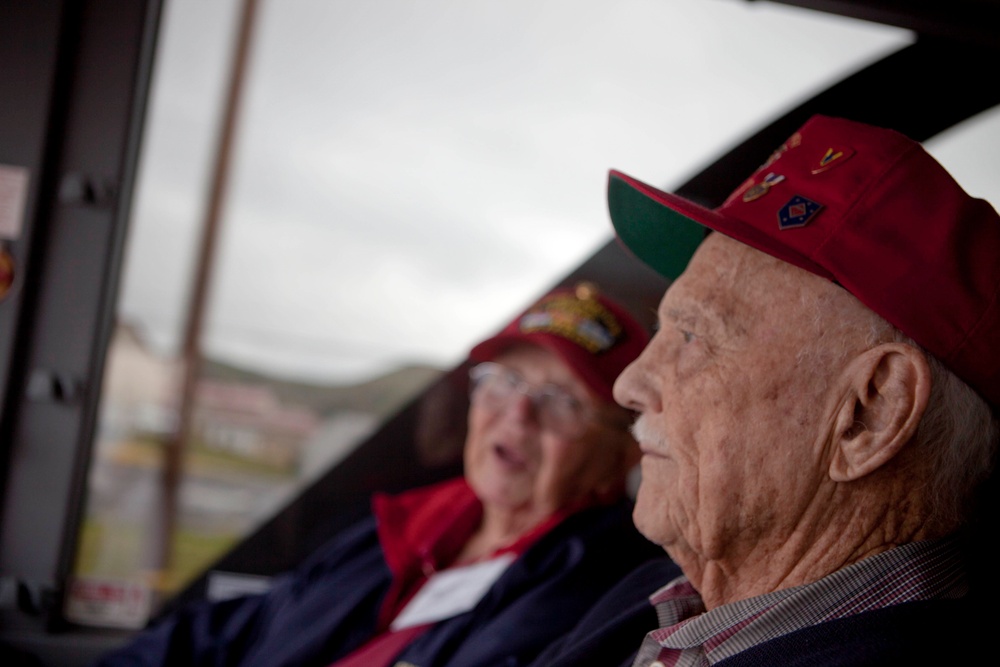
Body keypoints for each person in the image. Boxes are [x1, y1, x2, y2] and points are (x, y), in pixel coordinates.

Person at [533, 115, 999, 666]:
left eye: (692, 336)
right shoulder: (651, 596)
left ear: (871, 413)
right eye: (662, 329)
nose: (627, 384)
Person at [96, 283, 667, 667]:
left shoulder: (604, 599)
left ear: (624, 454)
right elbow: (226, 632)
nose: (517, 415)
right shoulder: (394, 529)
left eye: (561, 401)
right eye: (504, 382)